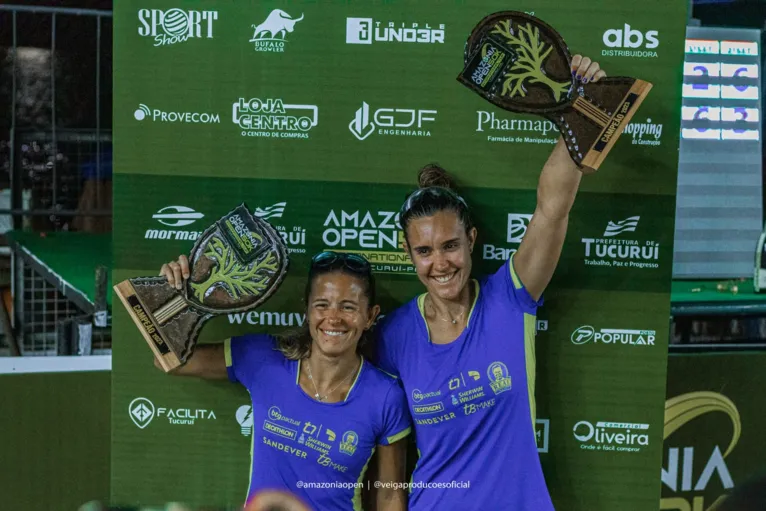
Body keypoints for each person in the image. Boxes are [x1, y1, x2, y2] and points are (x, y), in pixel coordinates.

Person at [372, 56, 606, 510]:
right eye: (424, 251)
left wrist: (582, 108)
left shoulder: (510, 298)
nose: (440, 263)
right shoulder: (393, 336)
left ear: (472, 240)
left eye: (450, 245)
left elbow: (552, 207)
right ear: (409, 255)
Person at [157, 251, 412, 511]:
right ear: (307, 308)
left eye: (348, 307)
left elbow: (390, 496)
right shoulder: (263, 359)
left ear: (370, 316)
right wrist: (174, 293)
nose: (333, 318)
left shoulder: (386, 396)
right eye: (322, 305)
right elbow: (170, 360)